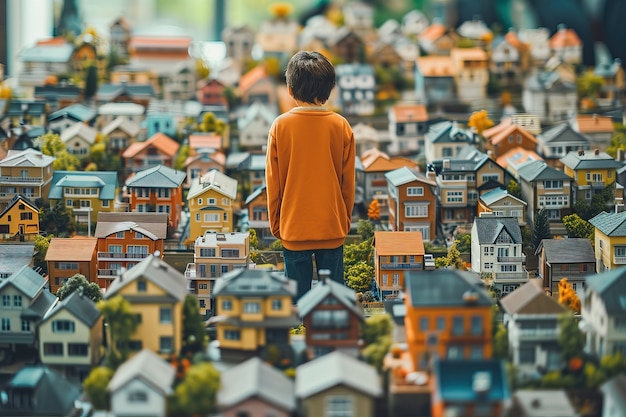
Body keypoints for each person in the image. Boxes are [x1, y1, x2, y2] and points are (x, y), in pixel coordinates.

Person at [265, 50, 355, 301]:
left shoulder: (280, 126)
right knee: (335, 303)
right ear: (329, 90)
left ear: (290, 90)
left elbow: (274, 182)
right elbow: (348, 182)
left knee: (295, 305)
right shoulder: (341, 126)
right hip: (332, 227)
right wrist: (344, 221)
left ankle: (298, 339)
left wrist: (276, 223)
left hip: (293, 229)